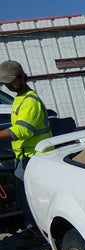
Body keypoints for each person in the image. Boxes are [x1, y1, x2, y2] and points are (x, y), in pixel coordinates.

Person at [0, 60, 52, 236]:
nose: (9, 86)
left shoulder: (30, 101)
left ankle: (37, 230)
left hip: (34, 156)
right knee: (25, 197)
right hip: (24, 156)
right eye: (6, 83)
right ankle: (34, 229)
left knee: (30, 197)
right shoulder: (19, 99)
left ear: (22, 76)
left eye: (11, 81)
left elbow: (24, 130)